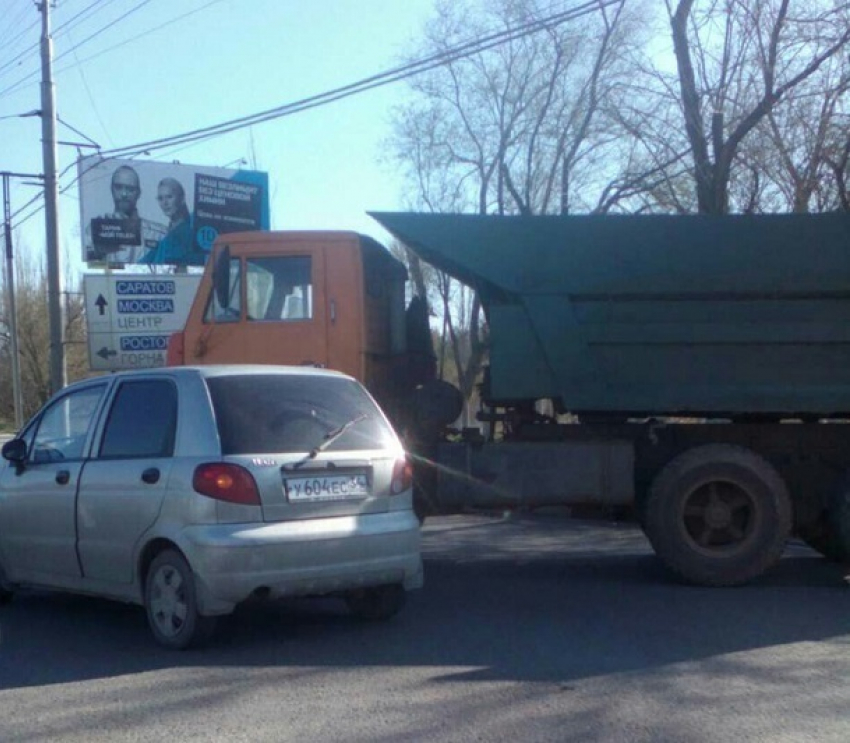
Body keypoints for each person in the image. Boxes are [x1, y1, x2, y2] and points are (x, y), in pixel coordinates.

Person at [85, 165, 166, 265]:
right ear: (111, 190)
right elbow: (90, 263)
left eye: (130, 189)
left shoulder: (158, 234)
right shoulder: (95, 230)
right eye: (118, 187)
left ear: (138, 193)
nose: (124, 194)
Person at [142, 177, 206, 266]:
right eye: (160, 198)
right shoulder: (168, 233)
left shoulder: (191, 229)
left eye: (169, 197)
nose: (165, 203)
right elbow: (146, 261)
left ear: (182, 198)